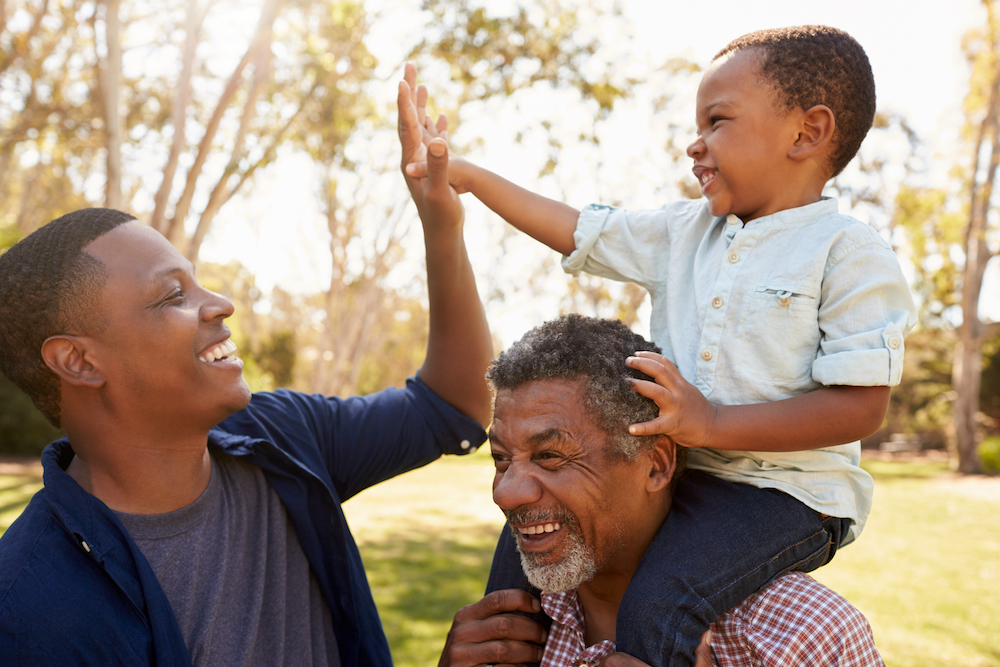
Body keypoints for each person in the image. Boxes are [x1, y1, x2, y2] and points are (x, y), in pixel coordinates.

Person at [405, 25, 916, 666]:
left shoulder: (849, 253)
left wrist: (713, 422)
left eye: (718, 121)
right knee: (516, 561)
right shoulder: (684, 232)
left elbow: (861, 406)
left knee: (662, 598)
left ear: (807, 133)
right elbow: (578, 232)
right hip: (686, 477)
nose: (694, 145)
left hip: (784, 497)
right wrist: (471, 179)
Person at [0, 76, 489, 666]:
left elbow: (452, 403)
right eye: (171, 295)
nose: (220, 303)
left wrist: (441, 224)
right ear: (78, 361)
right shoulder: (31, 609)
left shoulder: (284, 436)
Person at [438, 315, 885, 667]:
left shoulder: (803, 637)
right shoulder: (501, 630)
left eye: (551, 457)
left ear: (656, 464)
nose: (507, 494)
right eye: (500, 459)